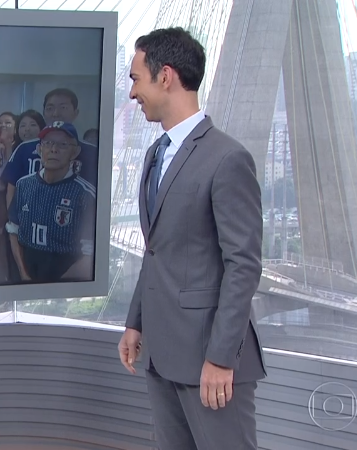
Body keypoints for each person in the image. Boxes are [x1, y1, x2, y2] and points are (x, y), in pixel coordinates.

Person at [118, 28, 266, 450]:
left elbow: (244, 265)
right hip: (161, 354)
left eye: (135, 79)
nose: (132, 93)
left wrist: (221, 358)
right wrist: (135, 321)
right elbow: (157, 250)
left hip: (209, 360)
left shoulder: (227, 159)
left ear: (165, 76)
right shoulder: (154, 155)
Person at [6, 121, 95, 282]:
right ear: (39, 150)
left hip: (65, 276)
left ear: (75, 152)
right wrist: (23, 274)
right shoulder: (23, 185)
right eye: (48, 143)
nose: (53, 149)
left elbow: (90, 253)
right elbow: (13, 230)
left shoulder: (85, 194)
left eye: (62, 145)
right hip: (26, 271)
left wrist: (57, 287)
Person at [2, 88, 98, 211]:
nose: (55, 113)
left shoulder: (91, 152)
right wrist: (13, 222)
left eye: (63, 108)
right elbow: (12, 189)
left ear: (75, 112)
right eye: (50, 108)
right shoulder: (24, 149)